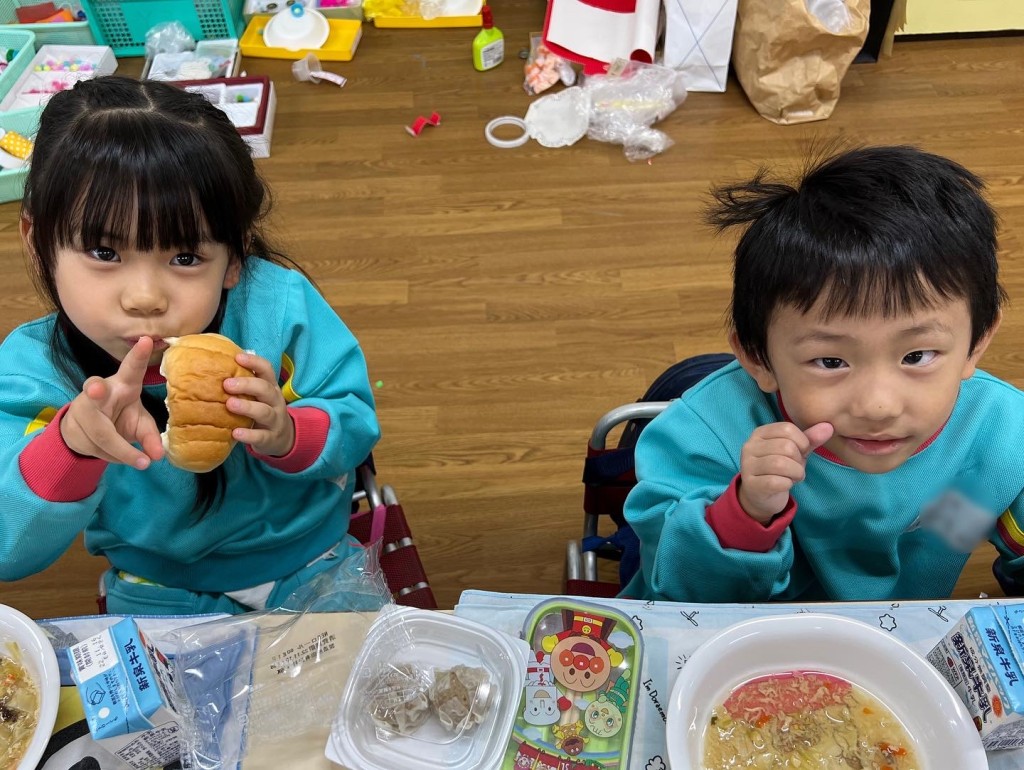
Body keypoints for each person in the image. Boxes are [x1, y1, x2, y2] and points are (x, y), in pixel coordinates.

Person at [0, 76, 380, 615]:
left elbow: (355, 421)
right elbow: (8, 549)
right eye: (104, 252)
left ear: (235, 257)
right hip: (158, 582)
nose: (145, 298)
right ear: (38, 243)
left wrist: (288, 433)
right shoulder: (33, 374)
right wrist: (71, 447)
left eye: (184, 258)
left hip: (309, 555)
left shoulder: (278, 310)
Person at [622, 145, 1024, 603]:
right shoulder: (705, 437)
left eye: (917, 356)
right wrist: (745, 513)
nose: (878, 405)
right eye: (831, 362)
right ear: (757, 357)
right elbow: (678, 594)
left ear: (977, 342)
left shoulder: (1004, 441)